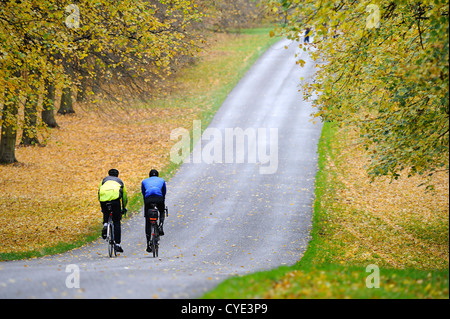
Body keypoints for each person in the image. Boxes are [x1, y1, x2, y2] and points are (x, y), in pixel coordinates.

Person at [98, 169, 128, 253]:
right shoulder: (120, 181)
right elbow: (124, 196)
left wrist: (101, 204)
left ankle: (105, 224)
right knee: (116, 222)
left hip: (103, 199)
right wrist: (123, 207)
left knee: (105, 212)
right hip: (115, 200)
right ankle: (117, 244)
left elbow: (99, 192)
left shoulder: (104, 180)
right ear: (117, 175)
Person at [141, 169, 167, 252]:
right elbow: (164, 192)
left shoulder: (144, 181)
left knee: (148, 220)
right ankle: (160, 226)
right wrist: (162, 201)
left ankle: (148, 243)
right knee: (162, 211)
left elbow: (143, 193)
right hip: (159, 198)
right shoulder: (162, 180)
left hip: (148, 199)